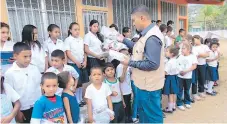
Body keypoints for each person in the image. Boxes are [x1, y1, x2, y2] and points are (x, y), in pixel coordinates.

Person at [119, 5, 165, 123]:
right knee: (144, 114)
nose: (133, 24)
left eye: (134, 20)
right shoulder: (147, 33)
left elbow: (152, 64)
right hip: (144, 83)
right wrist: (123, 40)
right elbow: (138, 48)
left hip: (149, 86)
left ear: (142, 18)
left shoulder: (152, 37)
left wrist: (130, 62)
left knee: (152, 117)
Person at [4, 42, 42, 123]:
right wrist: (17, 112)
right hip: (23, 109)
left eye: (30, 56)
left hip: (37, 105)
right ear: (15, 56)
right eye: (25, 56)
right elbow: (11, 95)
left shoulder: (34, 68)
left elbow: (40, 86)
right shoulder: (9, 73)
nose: (28, 59)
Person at [64, 22, 89, 107]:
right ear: (70, 30)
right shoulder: (68, 40)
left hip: (82, 64)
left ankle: (80, 99)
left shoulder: (81, 39)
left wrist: (85, 61)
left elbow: (84, 51)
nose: (77, 31)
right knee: (76, 83)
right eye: (75, 30)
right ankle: (76, 100)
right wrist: (76, 62)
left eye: (78, 29)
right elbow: (68, 53)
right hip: (73, 64)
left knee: (81, 83)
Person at [177, 42, 197, 110]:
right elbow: (177, 64)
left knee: (187, 89)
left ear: (189, 50)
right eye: (181, 48)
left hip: (188, 76)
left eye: (184, 48)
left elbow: (194, 66)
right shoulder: (180, 56)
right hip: (180, 76)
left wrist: (186, 71)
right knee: (179, 90)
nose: (182, 50)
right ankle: (179, 103)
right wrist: (180, 71)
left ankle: (187, 102)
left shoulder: (192, 56)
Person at [116, 49, 132, 122]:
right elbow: (121, 80)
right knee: (125, 107)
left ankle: (129, 118)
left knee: (129, 105)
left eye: (127, 54)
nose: (127, 56)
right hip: (123, 91)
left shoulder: (128, 66)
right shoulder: (120, 67)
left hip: (128, 90)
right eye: (124, 55)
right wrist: (125, 69)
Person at [192, 35, 210, 101]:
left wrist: (199, 55)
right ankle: (194, 93)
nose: (194, 41)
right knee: (195, 79)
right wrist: (202, 55)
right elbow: (194, 56)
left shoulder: (204, 46)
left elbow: (207, 54)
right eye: (193, 40)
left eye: (195, 39)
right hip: (195, 65)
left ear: (199, 39)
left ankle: (201, 91)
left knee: (202, 78)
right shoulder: (193, 48)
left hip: (202, 64)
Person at [163, 45, 180, 113]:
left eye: (167, 51)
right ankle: (173, 106)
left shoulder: (169, 62)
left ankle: (169, 108)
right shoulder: (176, 60)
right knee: (173, 93)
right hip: (175, 77)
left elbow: (165, 72)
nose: (165, 52)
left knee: (170, 94)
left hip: (169, 78)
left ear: (172, 54)